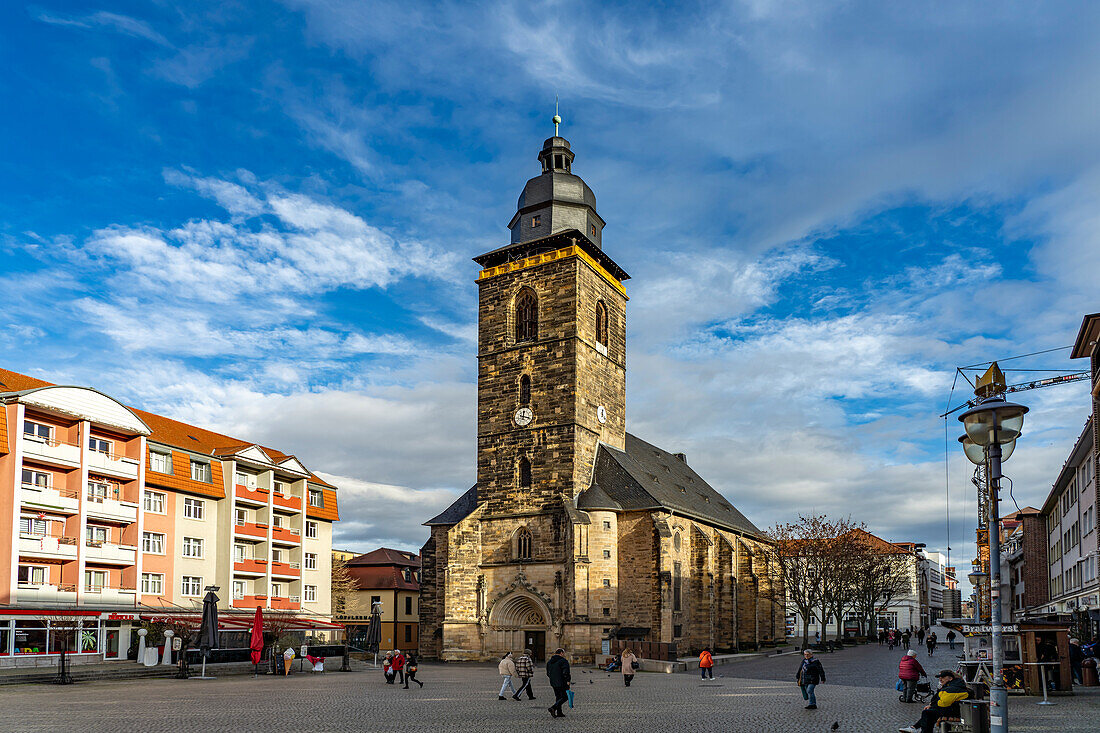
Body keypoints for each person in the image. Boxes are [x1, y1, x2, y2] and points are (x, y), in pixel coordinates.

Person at [898, 669, 969, 733]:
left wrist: (933, 705)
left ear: (950, 678)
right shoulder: (951, 685)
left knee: (928, 713)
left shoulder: (952, 688)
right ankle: (916, 728)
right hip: (954, 708)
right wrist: (932, 705)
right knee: (929, 712)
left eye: (943, 677)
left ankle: (916, 728)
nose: (940, 679)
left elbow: (943, 703)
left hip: (956, 711)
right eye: (940, 677)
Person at [546, 648, 571, 718]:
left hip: (553, 682)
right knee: (565, 697)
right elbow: (566, 672)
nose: (564, 655)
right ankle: (553, 708)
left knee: (558, 697)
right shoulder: (563, 661)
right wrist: (568, 680)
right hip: (562, 682)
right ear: (561, 653)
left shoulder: (549, 662)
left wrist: (553, 678)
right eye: (564, 653)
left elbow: (548, 673)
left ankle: (559, 712)